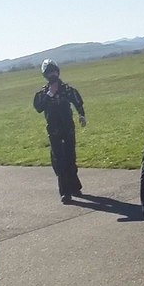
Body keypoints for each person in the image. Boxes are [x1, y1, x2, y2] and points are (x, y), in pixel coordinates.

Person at [32, 59, 86, 203]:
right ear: (45, 75)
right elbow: (39, 107)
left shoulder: (67, 89)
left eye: (54, 71)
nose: (52, 75)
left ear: (58, 71)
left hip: (68, 128)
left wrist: (81, 115)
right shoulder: (43, 93)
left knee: (70, 157)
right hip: (54, 130)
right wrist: (50, 93)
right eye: (49, 73)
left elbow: (77, 101)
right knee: (59, 159)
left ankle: (75, 187)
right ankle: (65, 192)